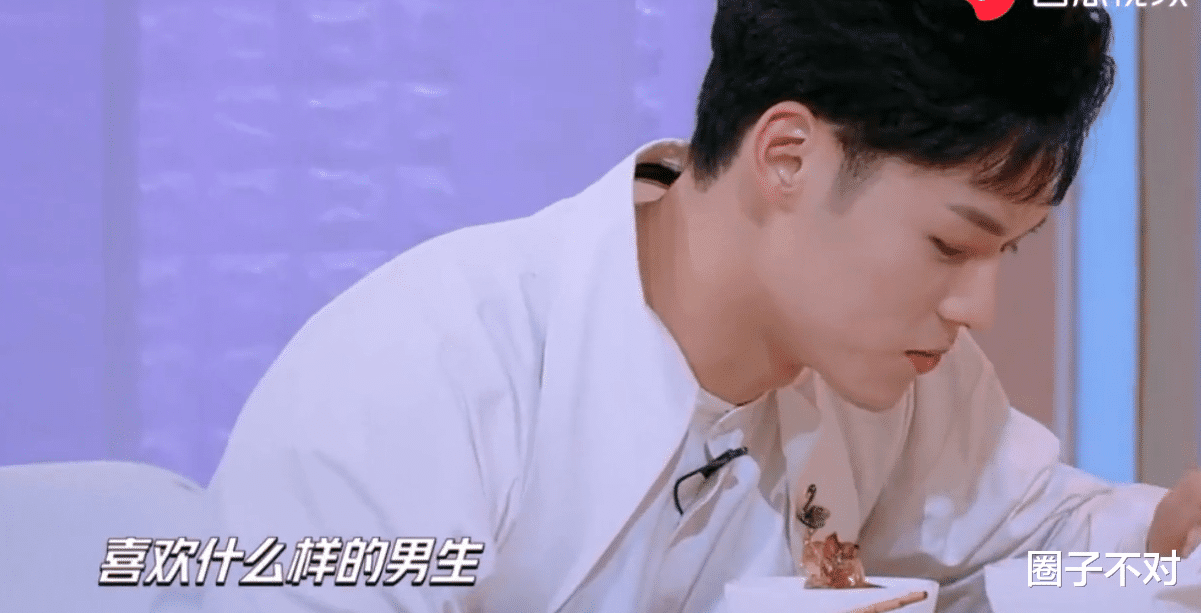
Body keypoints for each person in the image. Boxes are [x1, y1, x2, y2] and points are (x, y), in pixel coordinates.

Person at [194, 1, 1201, 612]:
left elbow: (1030, 553)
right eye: (949, 245)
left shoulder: (901, 382)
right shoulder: (426, 374)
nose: (975, 305)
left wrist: (1166, 540)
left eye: (1005, 253)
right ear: (787, 157)